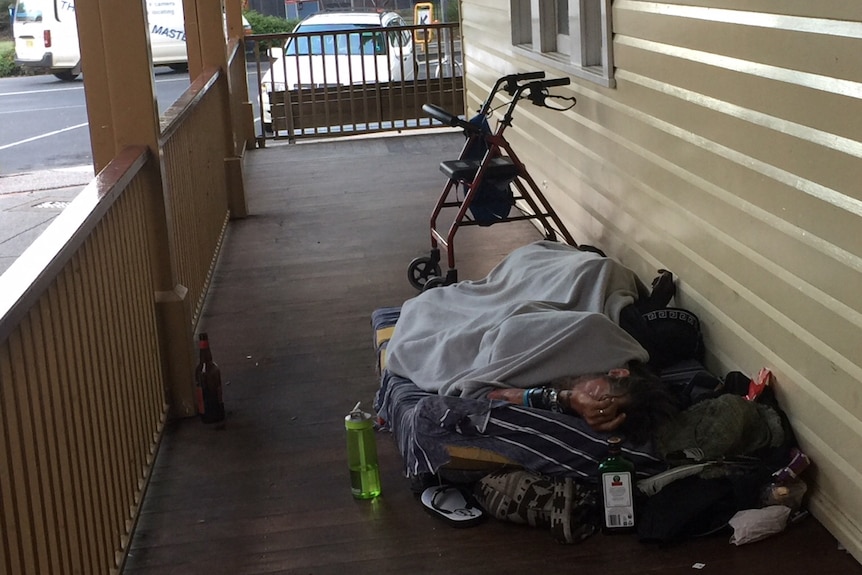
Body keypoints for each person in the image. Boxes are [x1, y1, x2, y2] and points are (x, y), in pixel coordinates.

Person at [487, 362, 680, 445]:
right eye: (600, 395)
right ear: (618, 373)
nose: (586, 399)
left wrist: (567, 398)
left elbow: (491, 397)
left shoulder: (567, 405)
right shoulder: (596, 346)